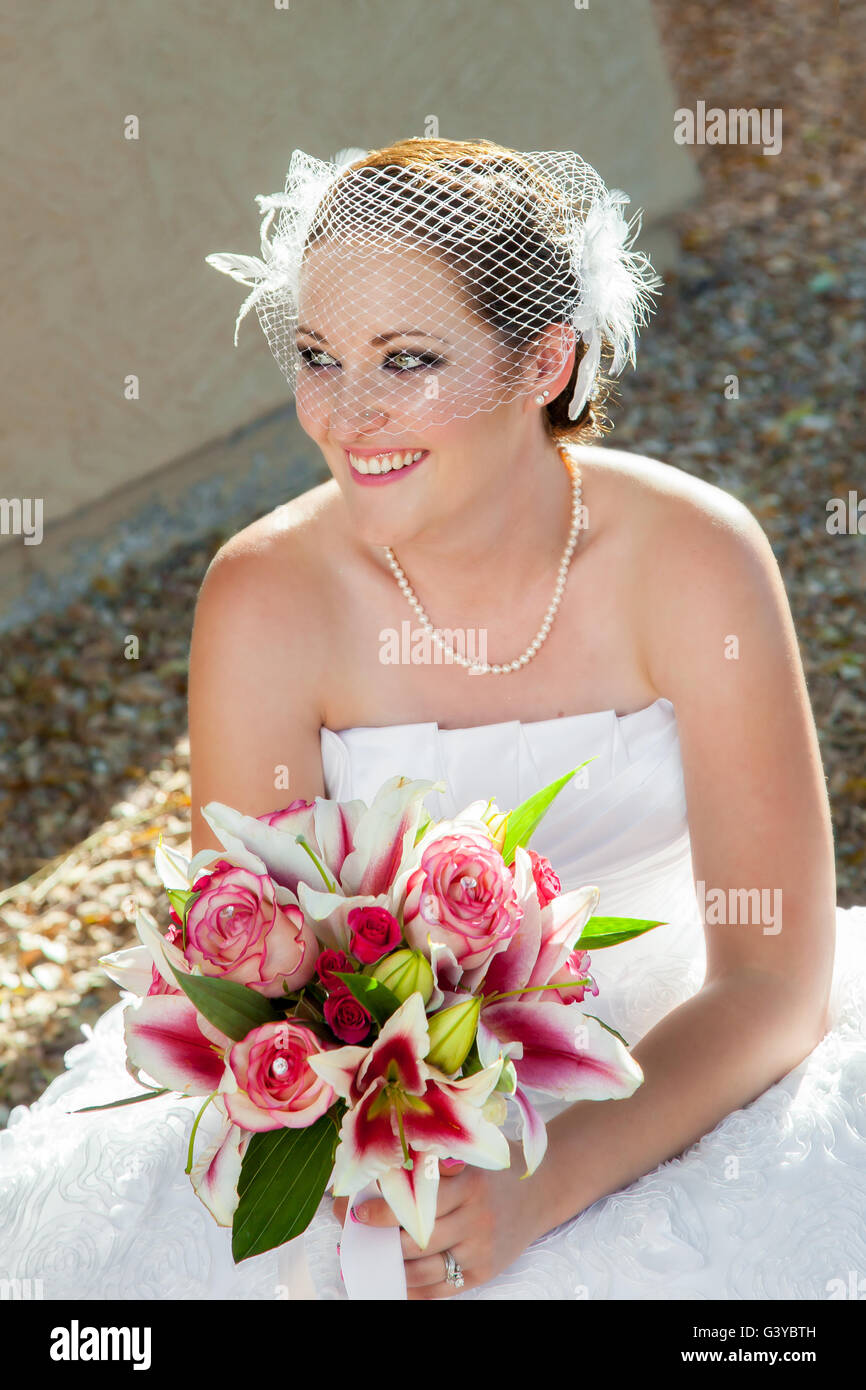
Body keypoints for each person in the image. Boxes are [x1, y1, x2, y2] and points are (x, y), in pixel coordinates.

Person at [1, 138, 864, 1301]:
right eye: (318, 355)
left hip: (677, 1058)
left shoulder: (693, 560)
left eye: (405, 359)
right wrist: (357, 1141)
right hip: (376, 1105)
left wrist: (535, 1185)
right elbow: (247, 964)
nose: (345, 414)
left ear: (543, 361)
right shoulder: (265, 598)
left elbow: (769, 979)